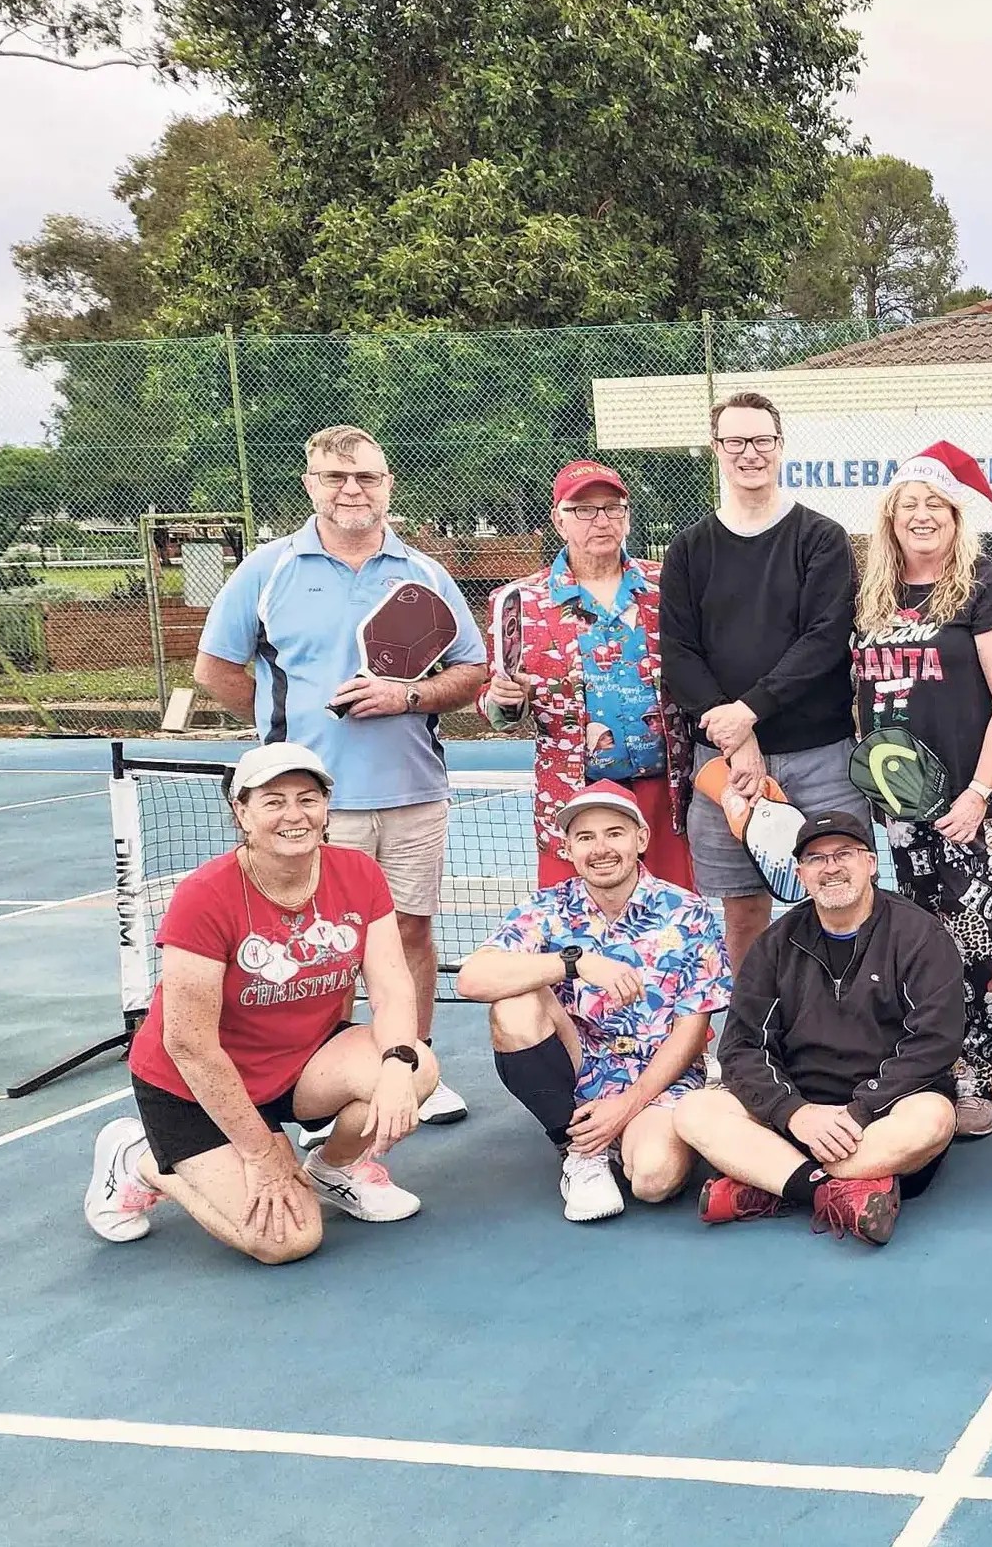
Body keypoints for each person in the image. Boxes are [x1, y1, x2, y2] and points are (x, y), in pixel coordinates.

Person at [193, 425, 491, 1126]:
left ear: (388, 485)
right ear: (311, 485)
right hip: (311, 807)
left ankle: (413, 1063)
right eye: (335, 477)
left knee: (410, 934)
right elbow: (216, 669)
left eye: (366, 477)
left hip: (414, 791)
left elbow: (473, 671)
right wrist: (285, 733)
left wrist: (407, 696)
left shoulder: (423, 573)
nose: (352, 489)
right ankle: (315, 1072)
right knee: (320, 949)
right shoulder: (267, 570)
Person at [84, 744, 440, 1263]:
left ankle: (334, 1169)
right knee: (288, 1242)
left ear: (325, 811)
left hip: (298, 1065)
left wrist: (395, 1066)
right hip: (195, 1086)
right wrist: (259, 1152)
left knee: (418, 1069)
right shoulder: (205, 896)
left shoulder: (358, 873)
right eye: (274, 801)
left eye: (308, 799)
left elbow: (391, 988)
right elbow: (189, 1044)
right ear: (242, 813)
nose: (294, 815)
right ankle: (141, 1159)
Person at [670, 812, 962, 1248]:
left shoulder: (919, 934)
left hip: (882, 1116)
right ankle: (833, 1189)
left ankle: (772, 1181)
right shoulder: (775, 944)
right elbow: (741, 1047)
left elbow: (935, 1042)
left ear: (870, 862)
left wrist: (860, 1112)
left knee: (934, 1120)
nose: (831, 867)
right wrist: (795, 1114)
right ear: (800, 874)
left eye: (844, 854)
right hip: (796, 1115)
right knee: (693, 1111)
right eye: (816, 858)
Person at [851, 441, 992, 1138]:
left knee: (982, 936)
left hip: (969, 801)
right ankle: (932, 1061)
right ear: (890, 518)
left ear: (956, 516)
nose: (921, 516)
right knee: (915, 938)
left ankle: (982, 1069)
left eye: (935, 505)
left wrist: (980, 792)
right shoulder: (872, 595)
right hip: (899, 809)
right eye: (908, 507)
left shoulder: (986, 586)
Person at [455, 784, 730, 1222]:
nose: (601, 848)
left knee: (654, 1181)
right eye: (585, 838)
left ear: (641, 839)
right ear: (567, 849)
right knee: (513, 1005)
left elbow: (693, 1028)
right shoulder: (547, 908)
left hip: (655, 1079)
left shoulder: (689, 913)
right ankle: (579, 1147)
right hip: (580, 1065)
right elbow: (472, 978)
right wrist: (573, 963)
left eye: (615, 833)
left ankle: (627, 1134)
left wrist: (630, 1103)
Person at [659, 391, 867, 969]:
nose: (749, 452)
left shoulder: (821, 538)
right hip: (724, 764)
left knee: (839, 901)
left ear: (779, 446)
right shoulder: (689, 548)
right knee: (742, 911)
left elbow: (825, 639)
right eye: (735, 441)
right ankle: (755, 1038)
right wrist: (735, 737)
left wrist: (747, 712)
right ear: (716, 449)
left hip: (820, 759)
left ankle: (839, 1033)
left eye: (761, 440)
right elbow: (678, 653)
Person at [480, 459, 695, 889]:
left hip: (666, 796)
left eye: (612, 508)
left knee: (668, 926)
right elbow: (495, 701)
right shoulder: (519, 601)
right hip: (574, 797)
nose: (601, 520)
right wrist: (505, 701)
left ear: (627, 517)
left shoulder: (667, 587)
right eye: (583, 510)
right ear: (558, 519)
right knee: (575, 927)